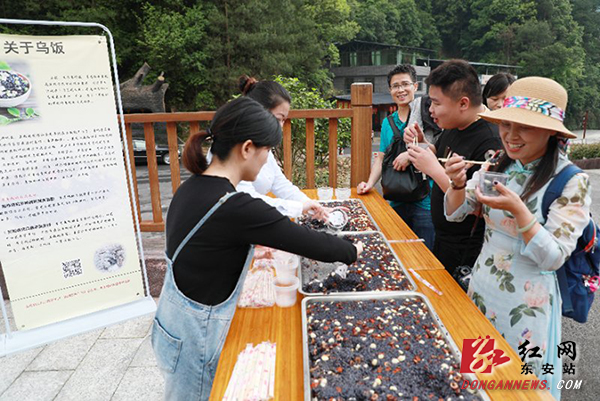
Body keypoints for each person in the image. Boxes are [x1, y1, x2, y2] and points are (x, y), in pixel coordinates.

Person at [152, 97, 362, 400]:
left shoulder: (192, 187)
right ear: (247, 148)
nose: (267, 159)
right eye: (267, 150)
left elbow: (210, 248)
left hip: (172, 325)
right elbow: (306, 241)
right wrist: (352, 250)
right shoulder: (234, 204)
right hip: (197, 337)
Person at [444, 77, 589, 400]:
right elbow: (455, 213)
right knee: (480, 383)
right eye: (506, 124)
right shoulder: (497, 164)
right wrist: (455, 183)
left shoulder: (571, 181)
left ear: (551, 131)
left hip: (527, 305)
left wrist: (519, 212)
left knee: (517, 390)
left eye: (525, 127)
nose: (511, 135)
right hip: (482, 291)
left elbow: (552, 257)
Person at [404, 59, 503, 276]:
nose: (430, 110)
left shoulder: (491, 142)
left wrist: (434, 171)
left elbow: (483, 208)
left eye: (436, 103)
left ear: (463, 103)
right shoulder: (453, 126)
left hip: (467, 250)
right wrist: (422, 143)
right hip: (444, 238)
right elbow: (440, 158)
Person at [357, 64, 437, 250]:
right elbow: (380, 158)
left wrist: (410, 154)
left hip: (424, 200)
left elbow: (436, 150)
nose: (400, 90)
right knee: (397, 252)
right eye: (395, 86)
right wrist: (369, 184)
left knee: (425, 254)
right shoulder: (388, 122)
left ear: (415, 86)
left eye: (405, 84)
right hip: (396, 198)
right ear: (390, 90)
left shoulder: (427, 114)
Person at [236, 75, 326, 219]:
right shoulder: (235, 147)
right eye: (278, 119)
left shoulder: (261, 144)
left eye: (284, 120)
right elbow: (247, 200)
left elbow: (281, 184)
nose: (281, 126)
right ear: (258, 112)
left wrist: (310, 205)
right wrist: (300, 208)